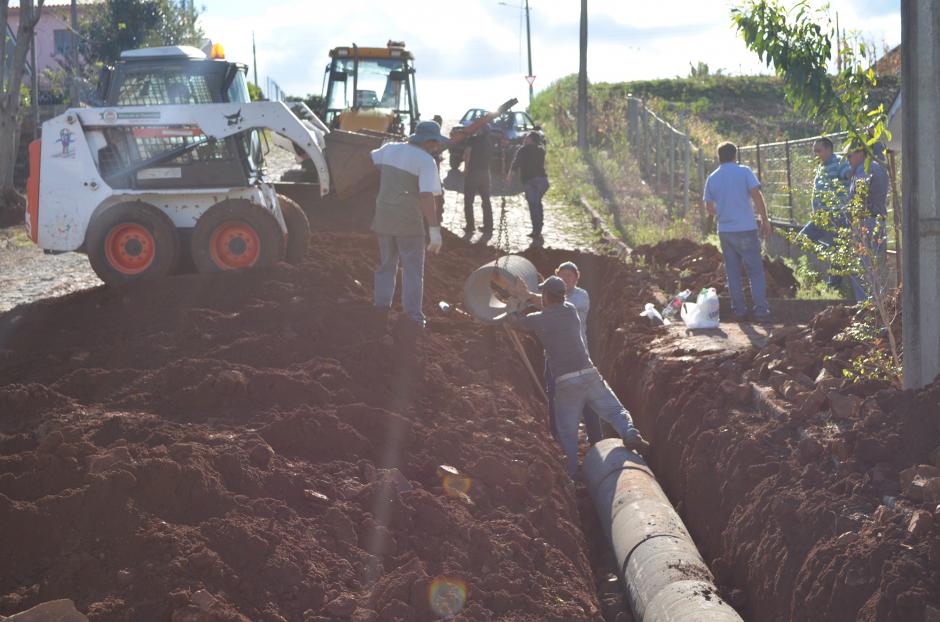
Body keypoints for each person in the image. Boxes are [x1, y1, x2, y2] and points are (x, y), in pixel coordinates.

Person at [508, 275, 649, 479]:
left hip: (566, 382)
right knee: (615, 410)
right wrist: (529, 296)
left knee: (567, 435)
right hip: (589, 374)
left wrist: (512, 307)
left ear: (546, 295)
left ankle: (570, 479)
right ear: (563, 296)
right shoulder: (570, 310)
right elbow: (548, 304)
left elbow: (515, 323)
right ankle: (629, 433)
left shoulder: (538, 319)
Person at [370, 120, 447, 333]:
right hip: (408, 224)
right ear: (430, 141)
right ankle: (413, 316)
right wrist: (434, 229)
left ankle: (380, 307)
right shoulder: (426, 160)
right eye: (435, 143)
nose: (436, 147)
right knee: (413, 271)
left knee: (386, 265)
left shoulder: (389, 149)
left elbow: (372, 159)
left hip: (383, 218)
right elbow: (426, 195)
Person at [703, 142, 772, 321]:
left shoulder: (712, 177)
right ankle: (761, 311)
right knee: (755, 271)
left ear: (719, 157)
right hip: (746, 228)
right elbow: (757, 196)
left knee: (732, 272)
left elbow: (709, 208)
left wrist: (724, 213)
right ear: (735, 156)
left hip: (725, 231)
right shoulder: (744, 172)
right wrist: (765, 220)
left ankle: (739, 311)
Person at [544, 261, 603, 444]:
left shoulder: (581, 297)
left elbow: (561, 309)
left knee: (587, 397)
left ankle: (596, 438)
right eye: (561, 276)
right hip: (554, 358)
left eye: (569, 276)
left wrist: (530, 295)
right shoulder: (548, 297)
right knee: (555, 398)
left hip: (578, 358)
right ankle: (557, 438)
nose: (565, 279)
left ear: (577, 278)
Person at [797, 137, 851, 287]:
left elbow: (849, 173)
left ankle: (834, 285)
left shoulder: (840, 162)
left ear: (828, 149)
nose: (816, 154)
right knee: (802, 239)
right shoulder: (822, 166)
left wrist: (850, 174)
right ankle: (835, 252)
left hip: (835, 216)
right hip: (821, 217)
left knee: (836, 252)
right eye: (815, 151)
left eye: (819, 150)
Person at [842, 143, 889, 302]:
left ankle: (867, 311)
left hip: (866, 223)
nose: (848, 160)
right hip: (878, 221)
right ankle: (879, 312)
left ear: (860, 153)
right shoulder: (878, 166)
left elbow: (860, 196)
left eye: (849, 156)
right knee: (877, 271)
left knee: (864, 270)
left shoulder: (864, 169)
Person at [507, 131, 549, 239]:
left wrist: (509, 176)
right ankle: (539, 226)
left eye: (527, 137)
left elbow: (516, 164)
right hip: (543, 181)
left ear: (531, 139)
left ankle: (536, 230)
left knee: (533, 206)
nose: (525, 138)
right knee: (537, 203)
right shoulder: (541, 150)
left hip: (530, 181)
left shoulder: (523, 150)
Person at [462, 126, 494, 235]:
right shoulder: (489, 141)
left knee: (468, 201)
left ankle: (470, 226)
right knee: (486, 201)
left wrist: (466, 167)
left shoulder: (473, 140)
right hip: (485, 173)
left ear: (480, 130)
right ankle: (488, 227)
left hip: (473, 172)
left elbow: (467, 153)